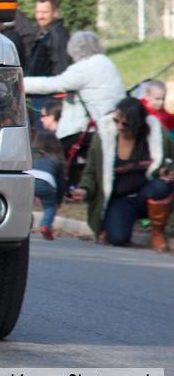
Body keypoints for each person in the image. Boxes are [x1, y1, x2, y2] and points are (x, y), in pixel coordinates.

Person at [70, 97, 174, 250]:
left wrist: (168, 172)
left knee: (160, 187)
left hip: (147, 194)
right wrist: (83, 189)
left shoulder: (157, 136)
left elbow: (170, 160)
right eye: (116, 121)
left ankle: (157, 233)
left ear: (138, 124)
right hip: (121, 199)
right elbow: (91, 171)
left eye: (125, 124)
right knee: (117, 238)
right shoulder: (103, 138)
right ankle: (110, 225)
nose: (119, 126)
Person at [24, 31, 125, 156]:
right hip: (111, 124)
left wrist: (20, 83)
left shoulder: (84, 68)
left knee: (58, 151)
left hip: (94, 130)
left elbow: (53, 84)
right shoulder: (106, 62)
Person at [28, 129, 66, 240]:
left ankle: (26, 222)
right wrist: (58, 200)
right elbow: (61, 183)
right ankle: (45, 226)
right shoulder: (56, 160)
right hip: (46, 183)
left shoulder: (31, 156)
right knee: (50, 206)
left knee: (24, 206)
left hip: (29, 180)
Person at [25, 0, 70, 78]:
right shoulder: (40, 33)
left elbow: (61, 66)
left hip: (50, 87)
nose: (40, 17)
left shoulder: (58, 34)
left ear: (55, 13)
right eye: (37, 12)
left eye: (45, 12)